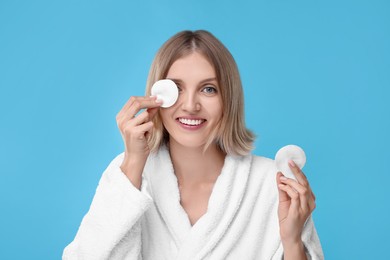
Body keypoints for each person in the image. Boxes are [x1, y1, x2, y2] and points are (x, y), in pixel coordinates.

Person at [63, 30, 324, 260]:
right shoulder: (127, 176)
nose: (190, 105)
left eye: (208, 89)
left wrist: (292, 241)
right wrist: (133, 163)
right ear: (156, 97)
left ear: (228, 100)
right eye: (176, 88)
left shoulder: (271, 185)